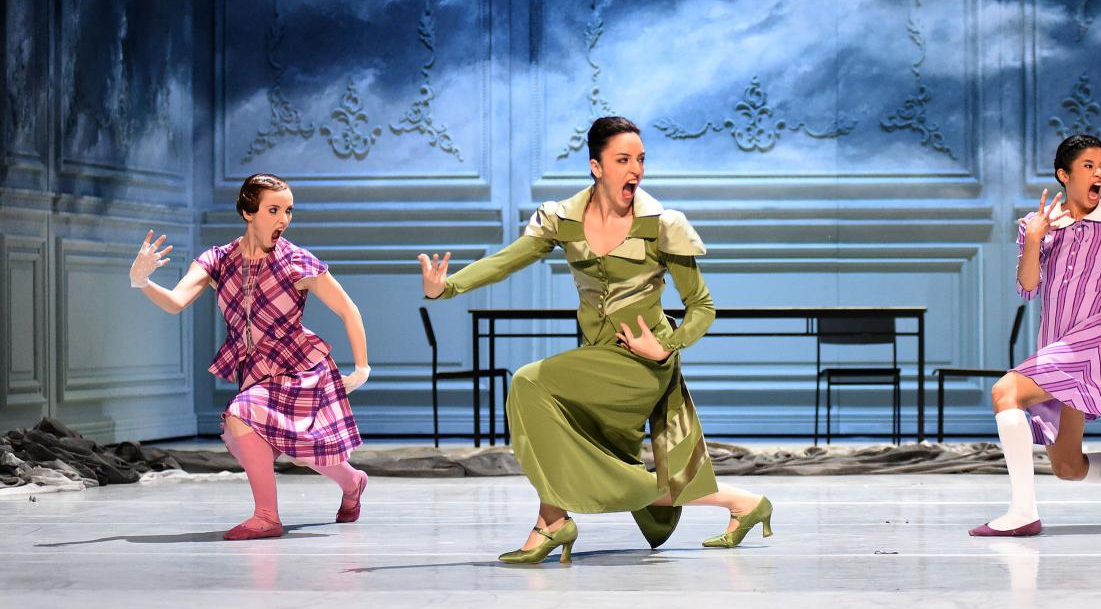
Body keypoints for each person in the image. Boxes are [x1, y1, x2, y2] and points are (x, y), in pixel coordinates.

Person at [419, 116, 773, 564]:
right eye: (623, 159)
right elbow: (508, 260)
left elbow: (702, 306)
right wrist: (447, 287)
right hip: (597, 357)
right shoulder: (564, 219)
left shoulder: (661, 225)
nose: (635, 169)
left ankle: (552, 523)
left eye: (640, 159)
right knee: (568, 437)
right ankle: (743, 503)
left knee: (529, 383)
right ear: (596, 166)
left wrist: (666, 347)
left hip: (643, 363)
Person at [129, 173, 372, 539]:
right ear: (248, 211)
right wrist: (142, 282)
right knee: (283, 443)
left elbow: (348, 309)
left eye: (288, 211)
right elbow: (176, 301)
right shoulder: (218, 260)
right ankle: (352, 481)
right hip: (256, 371)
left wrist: (362, 367)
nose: (283, 220)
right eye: (273, 210)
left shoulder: (297, 261)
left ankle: (268, 517)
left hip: (299, 368)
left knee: (253, 422)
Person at [970, 135, 1101, 537]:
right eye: (1088, 166)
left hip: (1090, 343)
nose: (1099, 173)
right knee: (1068, 466)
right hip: (1053, 345)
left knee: (1005, 392)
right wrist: (1034, 238)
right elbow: (1027, 288)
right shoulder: (1037, 225)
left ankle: (1022, 513)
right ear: (1063, 175)